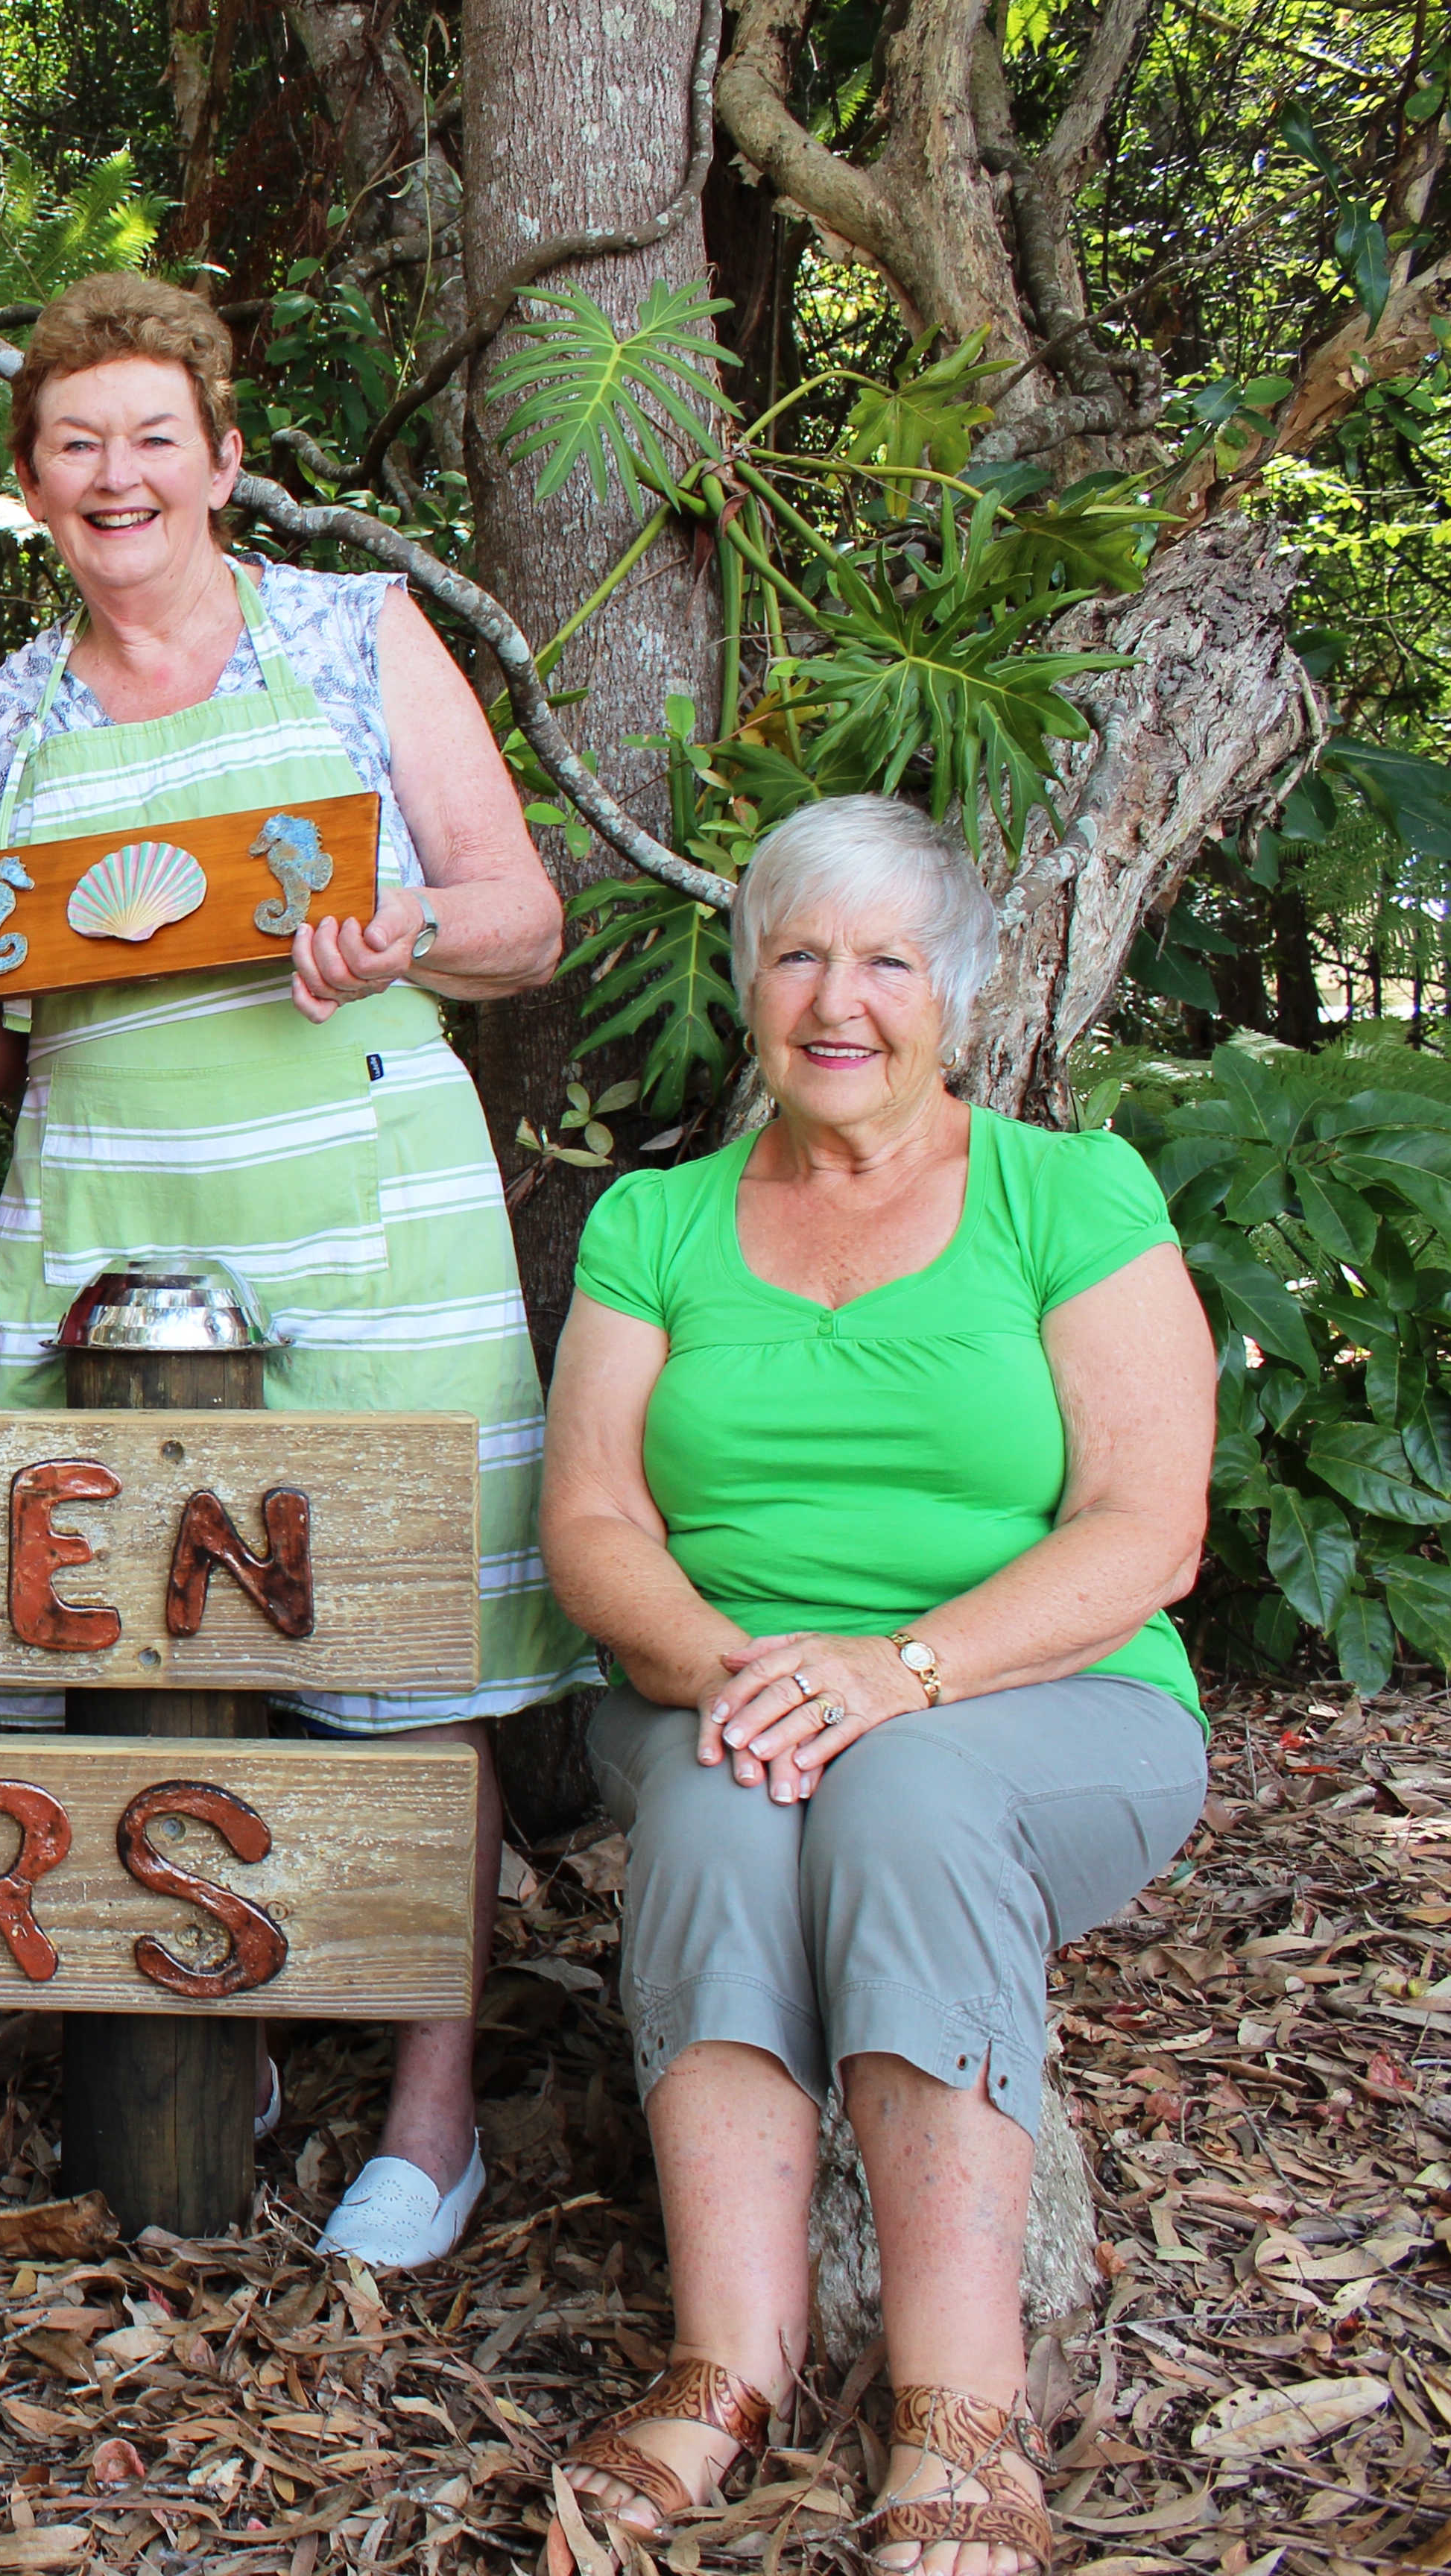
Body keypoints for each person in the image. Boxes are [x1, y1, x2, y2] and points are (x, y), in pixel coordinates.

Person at [0, 271, 592, 2267]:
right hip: (109, 1218)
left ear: (222, 462)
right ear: (31, 486)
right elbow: (5, 1031)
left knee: (413, 1667)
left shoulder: (351, 633)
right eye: (75, 445)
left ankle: (432, 2113)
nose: (118, 476)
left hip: (363, 1214)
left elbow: (521, 915)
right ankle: (218, 2027)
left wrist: (402, 930)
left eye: (152, 438)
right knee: (145, 1643)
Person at [533, 795, 1208, 2576]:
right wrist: (740, 1676)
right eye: (800, 956)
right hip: (728, 1682)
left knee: (907, 1792)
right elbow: (593, 1519)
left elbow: (1148, 1529)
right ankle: (730, 2364)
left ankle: (962, 2412)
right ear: (749, 983)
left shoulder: (1070, 1193)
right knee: (715, 1801)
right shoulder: (655, 1222)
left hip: (1043, 1690)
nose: (841, 1000)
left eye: (889, 961)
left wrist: (901, 1671)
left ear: (956, 994)